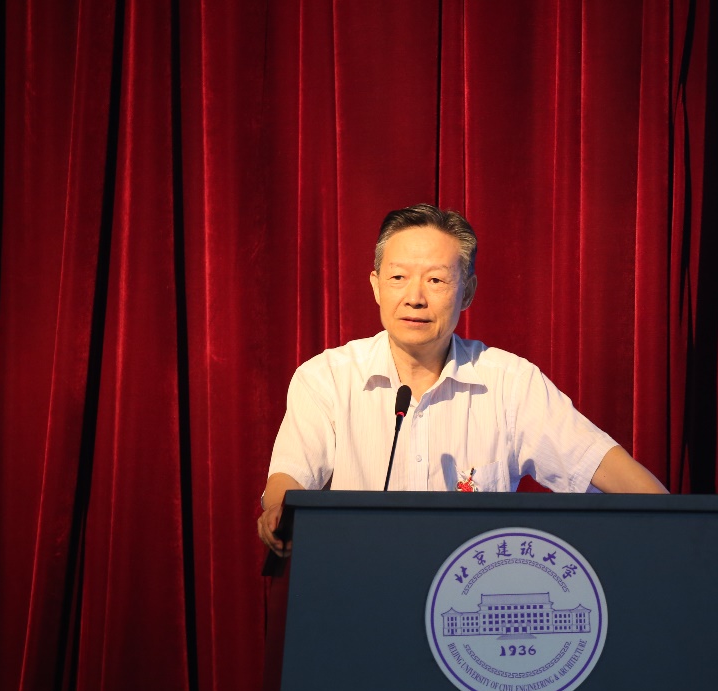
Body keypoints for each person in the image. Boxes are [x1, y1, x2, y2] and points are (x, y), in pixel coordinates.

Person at [257, 204, 672, 558]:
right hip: (358, 588)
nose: (415, 297)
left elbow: (599, 464)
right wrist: (278, 513)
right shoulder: (327, 378)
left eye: (436, 280)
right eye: (398, 278)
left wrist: (685, 528)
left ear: (468, 292)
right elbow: (288, 480)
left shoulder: (510, 384)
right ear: (376, 287)